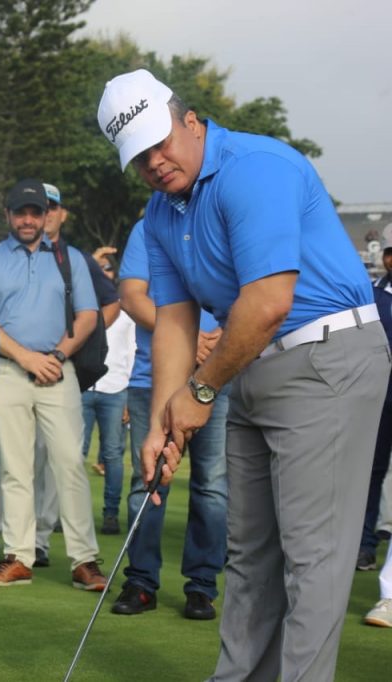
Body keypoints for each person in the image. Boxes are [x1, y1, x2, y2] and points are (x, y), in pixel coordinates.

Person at [99, 69, 389, 680]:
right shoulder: (160, 212)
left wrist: (201, 389)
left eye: (159, 143)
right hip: (254, 366)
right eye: (139, 157)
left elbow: (268, 302)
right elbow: (175, 318)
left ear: (190, 120)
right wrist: (162, 425)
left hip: (326, 358)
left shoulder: (254, 167)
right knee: (250, 555)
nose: (154, 163)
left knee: (311, 557)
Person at [0, 182, 120, 566]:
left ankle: (84, 560)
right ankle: (18, 558)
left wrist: (56, 355)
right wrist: (25, 357)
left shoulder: (72, 259)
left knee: (69, 464)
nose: (27, 220)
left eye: (35, 212)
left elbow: (88, 316)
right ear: (7, 215)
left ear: (46, 215)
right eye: (20, 212)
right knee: (14, 469)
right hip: (7, 370)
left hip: (58, 370)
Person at [111, 219, 229, 620]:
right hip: (153, 377)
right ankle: (141, 582)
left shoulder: (221, 219)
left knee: (212, 486)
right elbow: (132, 296)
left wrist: (222, 342)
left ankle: (202, 586)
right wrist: (187, 340)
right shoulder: (148, 226)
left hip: (218, 377)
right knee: (147, 480)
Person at [80, 306, 136, 535]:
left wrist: (129, 396)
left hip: (116, 389)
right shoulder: (83, 307)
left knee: (112, 455)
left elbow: (132, 352)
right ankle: (68, 513)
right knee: (75, 453)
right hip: (82, 387)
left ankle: (110, 513)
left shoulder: (126, 313)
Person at [357, 240, 392, 571]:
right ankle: (364, 545)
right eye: (390, 253)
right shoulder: (371, 295)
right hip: (379, 396)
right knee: (370, 471)